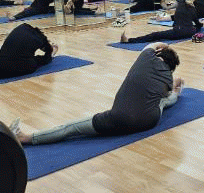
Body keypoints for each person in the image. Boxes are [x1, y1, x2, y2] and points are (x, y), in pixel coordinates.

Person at [12, 43, 182, 144]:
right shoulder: (168, 78)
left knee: (71, 128)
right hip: (150, 121)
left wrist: (165, 47)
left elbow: (152, 45)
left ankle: (25, 138)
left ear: (158, 53)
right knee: (163, 100)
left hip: (120, 118)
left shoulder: (147, 57)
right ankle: (176, 92)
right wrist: (172, 85)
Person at [121, 0, 202, 43]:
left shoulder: (179, 8)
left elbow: (174, 14)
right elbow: (197, 23)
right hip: (191, 32)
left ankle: (129, 40)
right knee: (194, 27)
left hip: (179, 32)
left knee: (155, 35)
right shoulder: (191, 9)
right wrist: (201, 25)